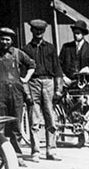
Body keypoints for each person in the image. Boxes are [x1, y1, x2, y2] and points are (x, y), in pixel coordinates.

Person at [0, 27, 35, 165]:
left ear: (12, 41)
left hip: (16, 93)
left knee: (16, 125)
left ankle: (17, 156)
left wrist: (25, 79)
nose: (5, 42)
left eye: (8, 39)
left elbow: (32, 64)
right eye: (2, 39)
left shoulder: (18, 53)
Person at [21, 19, 64, 161]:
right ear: (31, 31)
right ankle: (36, 151)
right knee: (34, 118)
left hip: (49, 83)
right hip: (33, 83)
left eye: (41, 31)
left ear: (44, 32)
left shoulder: (51, 48)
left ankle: (51, 150)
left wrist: (58, 89)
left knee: (50, 118)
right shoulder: (26, 50)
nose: (38, 33)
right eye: (36, 30)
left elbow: (58, 70)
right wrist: (26, 92)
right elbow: (23, 74)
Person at [58, 20, 89, 84]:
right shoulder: (66, 47)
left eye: (78, 33)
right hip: (69, 83)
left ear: (83, 34)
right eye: (74, 33)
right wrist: (63, 77)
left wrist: (88, 68)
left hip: (86, 83)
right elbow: (58, 65)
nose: (75, 35)